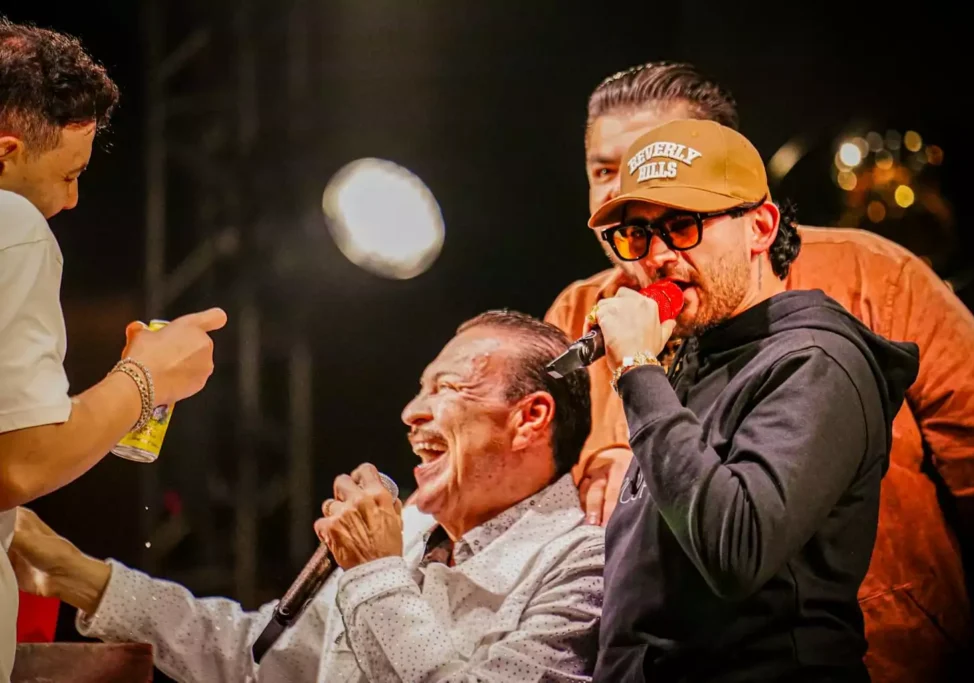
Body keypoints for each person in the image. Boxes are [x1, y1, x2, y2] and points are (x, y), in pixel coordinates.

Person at [546, 61, 974, 681]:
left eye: (680, 213)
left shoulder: (867, 279)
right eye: (605, 172)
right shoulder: (582, 314)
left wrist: (638, 374)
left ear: (759, 224)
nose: (628, 192)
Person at [10, 311, 604, 683]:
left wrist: (375, 573)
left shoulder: (584, 563)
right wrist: (78, 575)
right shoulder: (410, 538)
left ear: (530, 418)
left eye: (446, 388)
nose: (410, 412)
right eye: (420, 388)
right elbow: (258, 658)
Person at [582, 117, 918, 681]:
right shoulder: (690, 359)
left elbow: (736, 551)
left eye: (682, 225)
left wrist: (638, 369)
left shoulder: (816, 361)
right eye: (638, 233)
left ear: (760, 227)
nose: (656, 256)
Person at [0, 17, 226, 683]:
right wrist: (144, 378)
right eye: (69, 175)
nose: (72, 201)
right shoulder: (12, 222)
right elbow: (20, 462)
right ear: (6, 152)